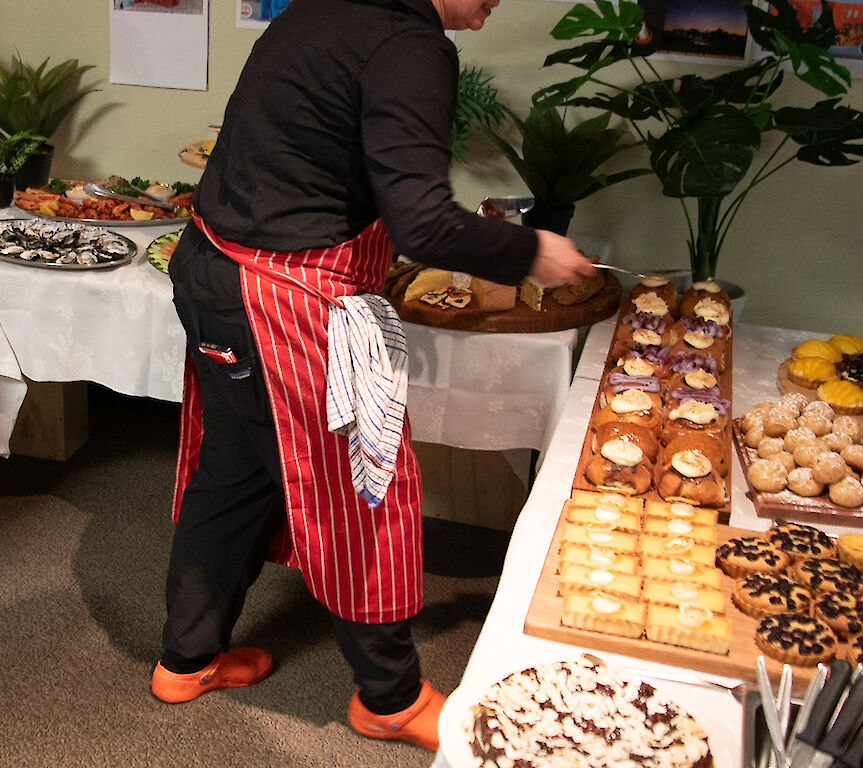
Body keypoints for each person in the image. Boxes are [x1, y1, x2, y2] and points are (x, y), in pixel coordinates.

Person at [149, 0, 596, 750]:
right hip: (282, 296)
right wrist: (530, 253)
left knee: (233, 471)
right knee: (365, 488)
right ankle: (388, 699)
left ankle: (186, 660)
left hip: (210, 267)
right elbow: (421, 221)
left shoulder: (319, 8)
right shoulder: (410, 45)